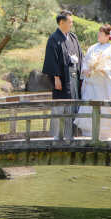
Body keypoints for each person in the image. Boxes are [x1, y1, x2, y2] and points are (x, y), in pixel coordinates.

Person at [75, 24, 111, 140]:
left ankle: (105, 133)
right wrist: (87, 70)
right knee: (90, 106)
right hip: (92, 84)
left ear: (108, 36)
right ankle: (88, 132)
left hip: (103, 86)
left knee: (103, 107)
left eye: (101, 34)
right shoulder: (92, 48)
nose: (99, 35)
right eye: (99, 33)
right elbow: (85, 62)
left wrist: (103, 69)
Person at [41, 10, 82, 140]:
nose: (72, 24)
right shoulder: (54, 38)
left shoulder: (73, 37)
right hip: (62, 78)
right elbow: (51, 60)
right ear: (62, 22)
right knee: (61, 106)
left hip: (74, 77)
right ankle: (58, 135)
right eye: (70, 22)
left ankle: (71, 135)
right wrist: (56, 78)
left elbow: (81, 55)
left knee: (74, 103)